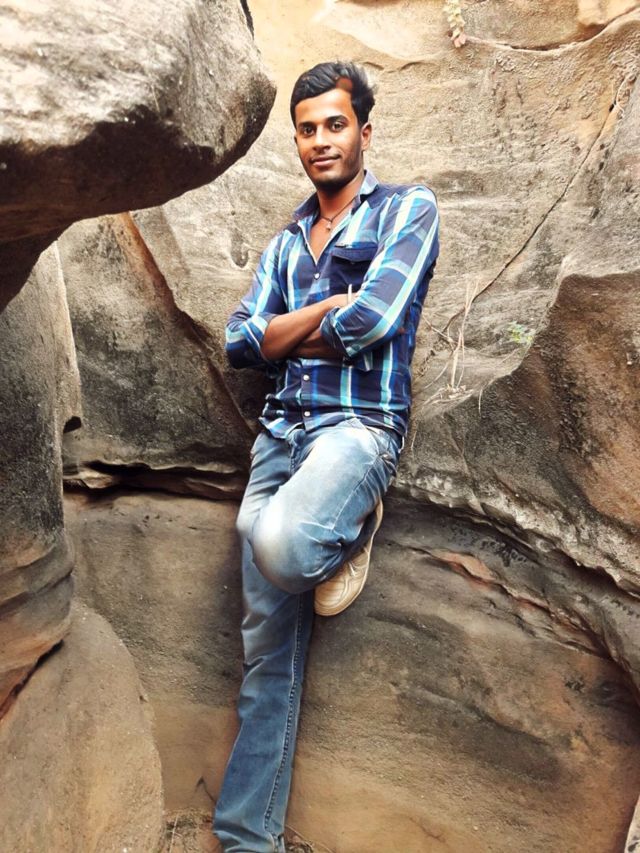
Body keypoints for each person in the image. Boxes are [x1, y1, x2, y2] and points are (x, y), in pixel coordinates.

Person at [213, 60, 439, 853]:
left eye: (334, 124)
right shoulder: (285, 245)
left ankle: (350, 520)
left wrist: (292, 329)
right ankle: (247, 838)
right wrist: (323, 309)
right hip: (280, 435)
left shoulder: (409, 209)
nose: (320, 140)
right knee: (263, 653)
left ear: (364, 132)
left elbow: (373, 321)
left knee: (280, 545)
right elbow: (240, 341)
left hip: (358, 430)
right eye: (306, 129)